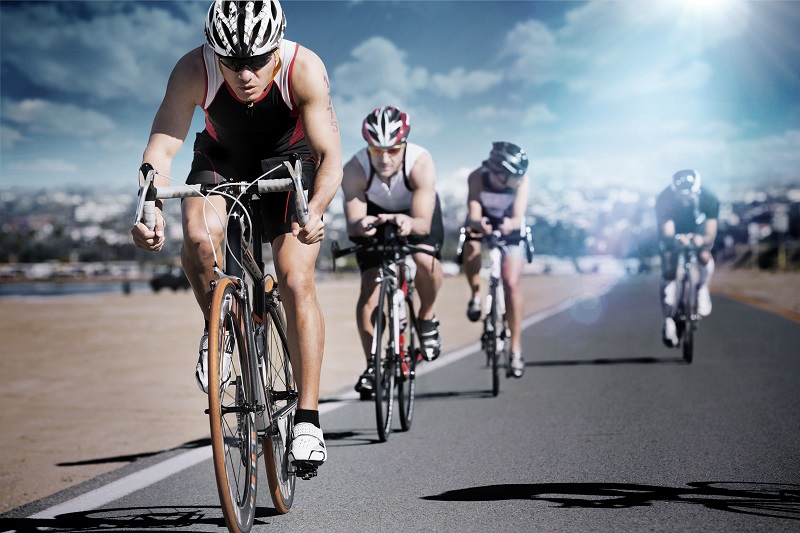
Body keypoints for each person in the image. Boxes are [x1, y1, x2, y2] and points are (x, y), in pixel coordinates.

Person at [130, 0, 342, 470]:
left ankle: (307, 420)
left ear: (277, 49)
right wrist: (148, 207)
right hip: (221, 157)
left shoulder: (303, 67)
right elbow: (163, 146)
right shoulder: (192, 68)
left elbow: (330, 156)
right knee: (200, 239)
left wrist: (318, 211)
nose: (244, 75)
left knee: (294, 277)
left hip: (291, 161)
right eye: (231, 63)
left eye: (257, 62)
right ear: (214, 53)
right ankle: (221, 329)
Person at [341, 105, 444, 397]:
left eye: (393, 150)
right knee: (369, 291)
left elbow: (423, 223)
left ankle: (426, 316)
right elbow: (353, 224)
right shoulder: (355, 168)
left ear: (405, 144)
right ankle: (373, 365)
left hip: (416, 213)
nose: (384, 159)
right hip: (375, 216)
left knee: (425, 261)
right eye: (376, 151)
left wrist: (407, 221)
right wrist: (363, 224)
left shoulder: (420, 162)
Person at [461, 142, 530, 378]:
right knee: (470, 245)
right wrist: (478, 223)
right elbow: (473, 209)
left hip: (510, 228)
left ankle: (516, 349)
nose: (517, 180)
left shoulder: (521, 181)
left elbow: (518, 216)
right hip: (482, 223)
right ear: (499, 172)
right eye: (512, 176)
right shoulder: (477, 177)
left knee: (511, 283)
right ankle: (476, 295)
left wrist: (509, 224)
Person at [655, 169, 719, 347]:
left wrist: (702, 240)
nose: (685, 198)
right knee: (669, 268)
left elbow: (710, 233)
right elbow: (667, 232)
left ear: (696, 191)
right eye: (680, 195)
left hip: (698, 228)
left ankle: (701, 288)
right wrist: (676, 240)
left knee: (705, 255)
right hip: (673, 230)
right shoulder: (664, 199)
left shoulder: (709, 199)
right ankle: (668, 320)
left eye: (689, 194)